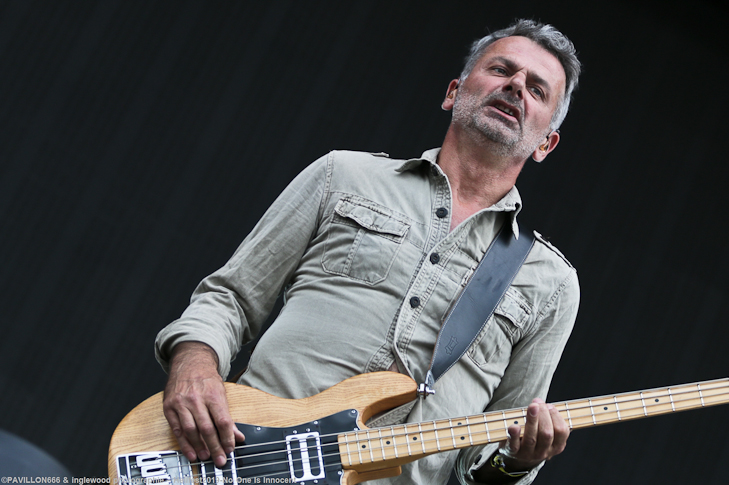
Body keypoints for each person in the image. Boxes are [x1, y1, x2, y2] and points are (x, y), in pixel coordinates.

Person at [155, 19, 581, 484]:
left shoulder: (551, 283)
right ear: (454, 92)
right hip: (243, 462)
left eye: (537, 90)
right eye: (501, 69)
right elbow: (232, 297)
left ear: (546, 143)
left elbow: (491, 455)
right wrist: (194, 363)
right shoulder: (342, 175)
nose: (516, 85)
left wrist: (516, 462)